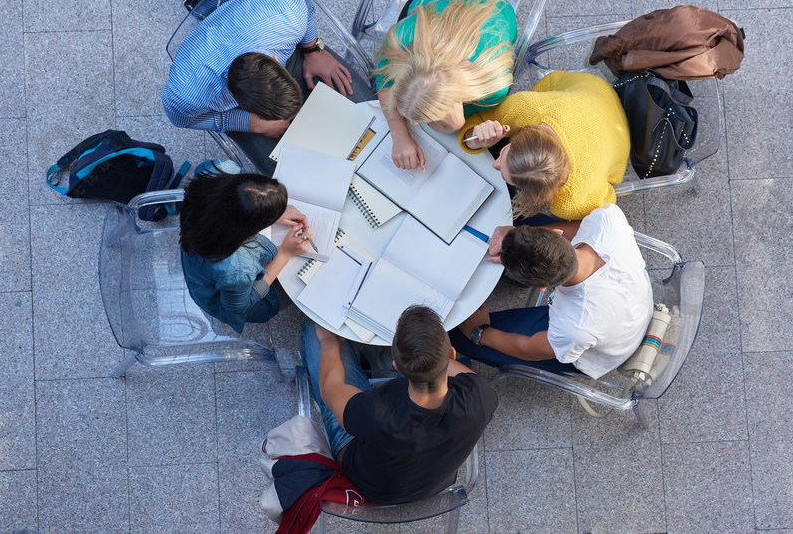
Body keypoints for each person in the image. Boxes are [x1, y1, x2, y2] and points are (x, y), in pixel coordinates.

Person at [163, 0, 376, 173]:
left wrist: (312, 48)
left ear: (275, 59)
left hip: (278, 39)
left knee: (370, 116)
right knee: (284, 177)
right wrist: (251, 122)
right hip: (228, 97)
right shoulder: (187, 95)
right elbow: (182, 119)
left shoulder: (289, 16)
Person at [299, 306, 498, 505]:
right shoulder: (481, 396)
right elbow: (451, 371)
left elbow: (330, 389)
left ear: (397, 366)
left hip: (368, 486)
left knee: (314, 326)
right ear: (452, 355)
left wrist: (329, 342)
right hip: (433, 484)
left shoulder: (375, 411)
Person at [451, 204, 653, 379]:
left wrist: (480, 333)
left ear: (541, 288)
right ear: (557, 233)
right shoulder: (608, 221)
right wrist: (515, 234)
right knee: (519, 219)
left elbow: (529, 348)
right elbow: (580, 227)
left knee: (459, 336)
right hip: (633, 301)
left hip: (607, 346)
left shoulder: (574, 328)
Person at [374, 0, 517, 170]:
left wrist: (457, 124)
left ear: (459, 102)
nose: (414, 124)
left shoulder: (493, 85)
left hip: (495, 9)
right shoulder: (403, 36)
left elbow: (457, 126)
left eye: (423, 120)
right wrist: (399, 134)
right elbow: (384, 80)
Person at [458, 70, 630, 220]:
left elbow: (607, 212)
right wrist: (475, 137)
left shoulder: (573, 201)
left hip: (615, 126)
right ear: (523, 134)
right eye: (502, 154)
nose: (494, 163)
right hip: (591, 89)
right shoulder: (527, 108)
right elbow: (476, 117)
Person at [179, 165, 313, 332]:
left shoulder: (212, 172)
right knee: (306, 280)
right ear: (246, 229)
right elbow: (239, 308)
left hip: (199, 267)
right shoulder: (236, 270)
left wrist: (268, 208)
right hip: (223, 296)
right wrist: (285, 253)